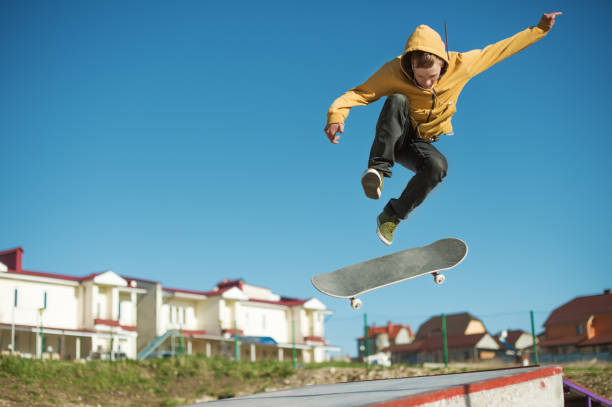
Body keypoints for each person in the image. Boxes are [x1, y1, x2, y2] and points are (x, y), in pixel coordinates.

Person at [324, 12, 562, 245]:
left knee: (438, 166)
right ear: (410, 66)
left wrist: (539, 29)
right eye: (420, 77)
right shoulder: (393, 71)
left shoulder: (462, 64)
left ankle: (391, 216)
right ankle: (377, 170)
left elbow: (498, 51)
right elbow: (360, 93)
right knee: (397, 99)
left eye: (433, 77)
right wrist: (336, 115)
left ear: (443, 65)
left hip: (420, 143)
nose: (427, 83)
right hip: (397, 133)